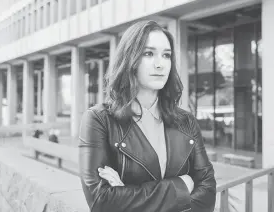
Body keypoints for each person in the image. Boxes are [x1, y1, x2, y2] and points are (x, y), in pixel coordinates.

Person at [78, 20, 216, 212]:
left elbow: (208, 193)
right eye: (148, 53)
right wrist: (183, 185)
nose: (160, 64)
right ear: (130, 59)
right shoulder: (99, 120)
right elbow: (101, 201)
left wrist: (126, 193)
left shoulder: (186, 121)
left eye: (166, 55)